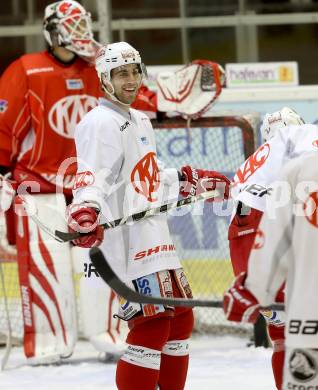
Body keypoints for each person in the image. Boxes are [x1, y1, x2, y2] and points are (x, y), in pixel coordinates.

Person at [0, 0, 158, 363]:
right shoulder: (26, 70)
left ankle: (113, 332)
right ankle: (49, 343)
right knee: (48, 270)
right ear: (52, 30)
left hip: (93, 189)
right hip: (40, 188)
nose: (80, 32)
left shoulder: (100, 68)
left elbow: (139, 97)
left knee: (102, 265)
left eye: (83, 23)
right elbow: (3, 127)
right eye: (71, 24)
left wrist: (166, 101)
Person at [67, 41, 230, 390]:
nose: (130, 79)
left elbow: (147, 177)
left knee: (180, 320)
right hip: (127, 242)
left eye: (134, 71)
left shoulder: (139, 118)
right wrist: (86, 210)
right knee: (151, 325)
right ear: (104, 79)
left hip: (155, 234)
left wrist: (185, 178)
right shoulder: (99, 122)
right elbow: (91, 176)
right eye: (120, 73)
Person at [227, 107, 318, 389]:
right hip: (276, 222)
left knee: (282, 333)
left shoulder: (249, 166)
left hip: (243, 237)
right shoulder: (304, 134)